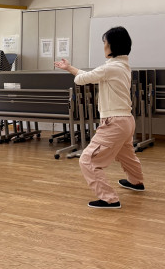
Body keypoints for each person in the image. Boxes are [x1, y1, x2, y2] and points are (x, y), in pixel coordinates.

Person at [54, 26, 145, 209]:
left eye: (105, 43)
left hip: (114, 122)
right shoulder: (123, 66)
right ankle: (136, 182)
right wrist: (69, 67)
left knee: (87, 160)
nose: (104, 46)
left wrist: (70, 70)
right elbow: (90, 76)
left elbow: (82, 79)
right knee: (126, 154)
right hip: (126, 120)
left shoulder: (110, 67)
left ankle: (109, 199)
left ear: (112, 46)